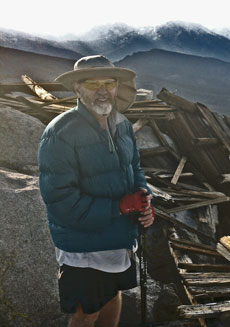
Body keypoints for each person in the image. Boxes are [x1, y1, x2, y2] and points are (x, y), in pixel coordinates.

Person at [38, 55, 154, 327]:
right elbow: (60, 200)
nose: (102, 90)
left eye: (108, 82)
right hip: (84, 246)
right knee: (86, 312)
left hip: (118, 237)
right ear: (77, 88)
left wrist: (145, 200)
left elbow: (134, 167)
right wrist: (120, 207)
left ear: (116, 86)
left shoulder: (122, 124)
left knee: (113, 296)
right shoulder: (61, 133)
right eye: (92, 83)